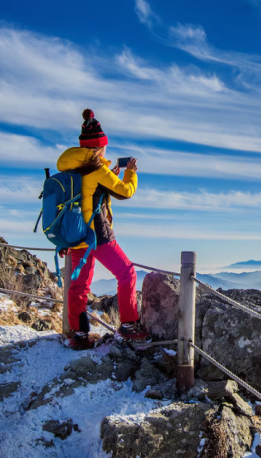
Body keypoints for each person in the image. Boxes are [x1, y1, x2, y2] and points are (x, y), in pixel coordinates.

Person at [57, 108, 148, 349]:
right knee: (127, 273)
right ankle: (128, 325)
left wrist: (110, 176)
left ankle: (77, 335)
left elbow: (88, 192)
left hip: (75, 233)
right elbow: (125, 192)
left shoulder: (71, 167)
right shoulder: (97, 169)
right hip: (97, 234)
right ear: (99, 147)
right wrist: (130, 173)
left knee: (79, 285)